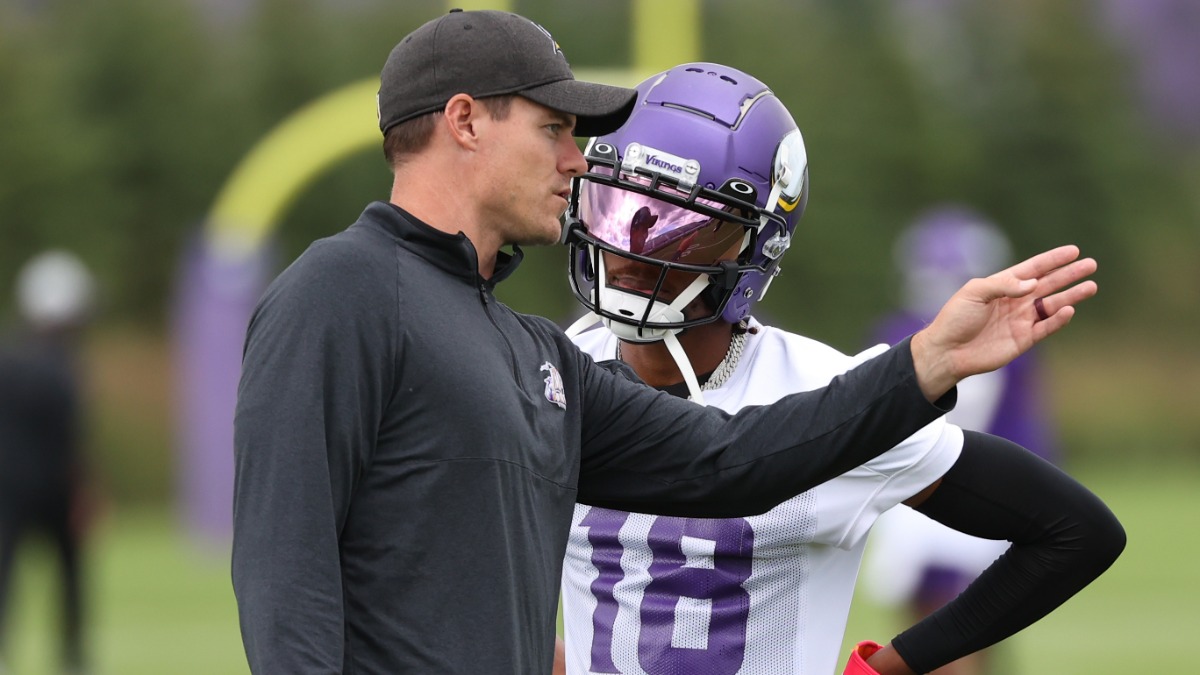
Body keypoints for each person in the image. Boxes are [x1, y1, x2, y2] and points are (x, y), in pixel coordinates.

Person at [231, 10, 1101, 674]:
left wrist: (925, 363)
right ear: (465, 121)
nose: (576, 161)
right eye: (553, 129)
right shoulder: (339, 290)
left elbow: (730, 458)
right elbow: (286, 568)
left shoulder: (529, 348)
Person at [556, 63, 1123, 675]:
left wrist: (883, 669)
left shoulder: (825, 392)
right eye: (617, 206)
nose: (632, 251)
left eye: (682, 229)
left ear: (756, 245)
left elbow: (1076, 531)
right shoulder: (550, 372)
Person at [861, 207, 1060, 675]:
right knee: (967, 625)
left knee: (928, 633)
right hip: (982, 483)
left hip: (913, 491)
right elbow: (1026, 429)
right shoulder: (1007, 340)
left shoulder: (896, 333)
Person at [0, 250, 97, 675]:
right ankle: (72, 657)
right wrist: (83, 491)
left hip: (9, 488)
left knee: (6, 573)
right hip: (54, 488)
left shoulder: (9, 358)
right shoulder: (64, 366)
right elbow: (72, 439)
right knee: (71, 578)